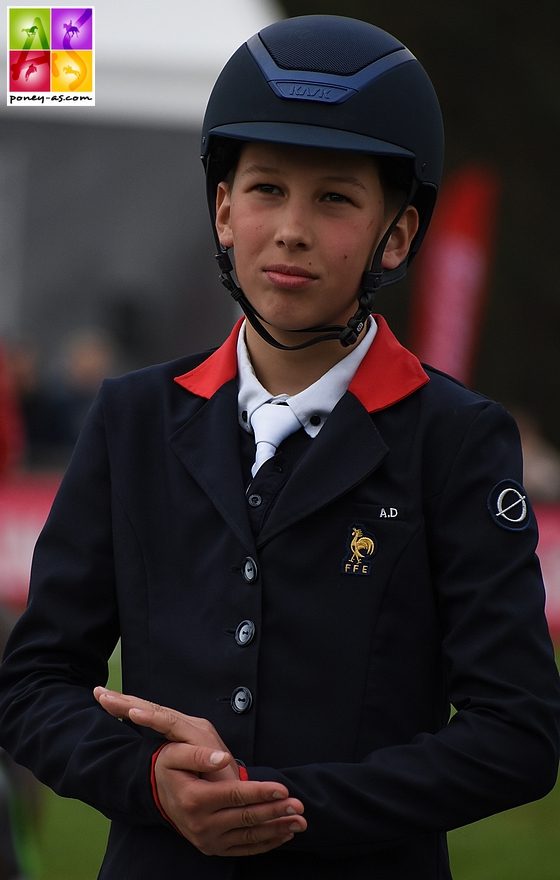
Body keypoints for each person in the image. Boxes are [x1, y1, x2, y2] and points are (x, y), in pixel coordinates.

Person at [0, 15, 559, 880]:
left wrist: (282, 809)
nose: (292, 228)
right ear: (224, 211)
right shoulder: (131, 419)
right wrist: (148, 780)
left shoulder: (457, 440)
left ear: (399, 235)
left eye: (334, 198)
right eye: (265, 190)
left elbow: (519, 733)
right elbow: (33, 683)